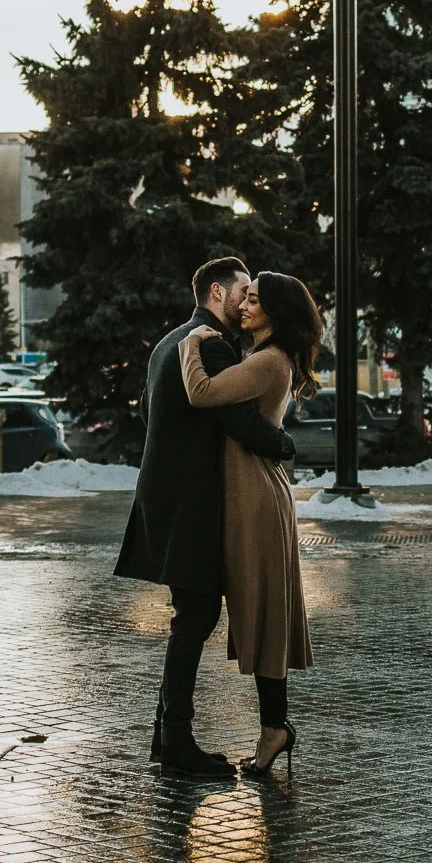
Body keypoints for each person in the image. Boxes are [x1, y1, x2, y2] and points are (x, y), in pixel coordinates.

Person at [115, 257, 297, 778]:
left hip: (164, 496)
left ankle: (170, 738)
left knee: (191, 617)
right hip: (191, 501)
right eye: (242, 291)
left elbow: (148, 412)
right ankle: (175, 744)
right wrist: (283, 443)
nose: (246, 301)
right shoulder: (209, 343)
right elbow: (237, 419)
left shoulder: (169, 340)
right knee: (194, 619)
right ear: (218, 292)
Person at [178, 270, 319, 776]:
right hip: (254, 493)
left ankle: (274, 729)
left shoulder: (267, 361)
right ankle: (274, 728)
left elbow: (200, 392)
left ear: (274, 313)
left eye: (254, 301)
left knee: (264, 614)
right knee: (262, 613)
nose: (244, 307)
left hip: (257, 499)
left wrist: (190, 342)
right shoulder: (263, 357)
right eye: (245, 298)